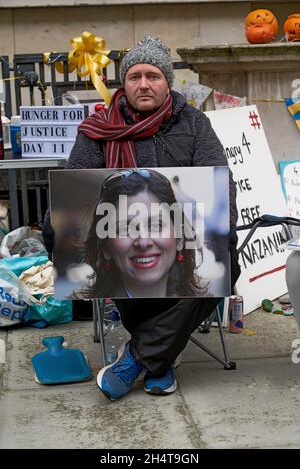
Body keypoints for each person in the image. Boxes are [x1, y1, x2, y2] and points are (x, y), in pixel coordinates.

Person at [42, 35, 241, 401]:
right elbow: (76, 178)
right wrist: (51, 221)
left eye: (153, 76)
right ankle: (160, 360)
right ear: (124, 84)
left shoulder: (195, 124)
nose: (144, 84)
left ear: (168, 82)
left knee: (226, 265)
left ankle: (137, 358)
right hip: (124, 250)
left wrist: (225, 228)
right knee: (131, 266)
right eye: (134, 76)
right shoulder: (99, 130)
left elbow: (220, 180)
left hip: (178, 246)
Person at [77, 168, 210, 299]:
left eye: (156, 225)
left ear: (179, 238)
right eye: (125, 229)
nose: (143, 242)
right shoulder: (91, 312)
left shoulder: (203, 307)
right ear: (106, 247)